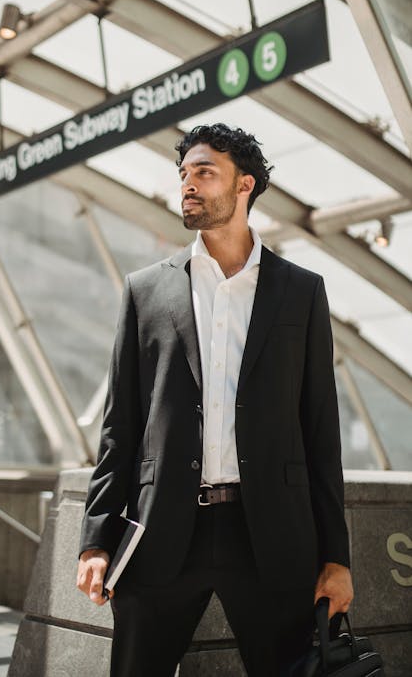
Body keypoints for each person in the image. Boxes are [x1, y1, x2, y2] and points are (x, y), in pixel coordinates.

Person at [77, 123, 353, 676]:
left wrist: (336, 557)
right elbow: (120, 426)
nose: (189, 184)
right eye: (184, 174)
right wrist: (95, 541)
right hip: (161, 533)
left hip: (271, 537)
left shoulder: (301, 291)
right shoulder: (145, 290)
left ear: (245, 185)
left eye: (204, 172)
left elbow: (320, 429)